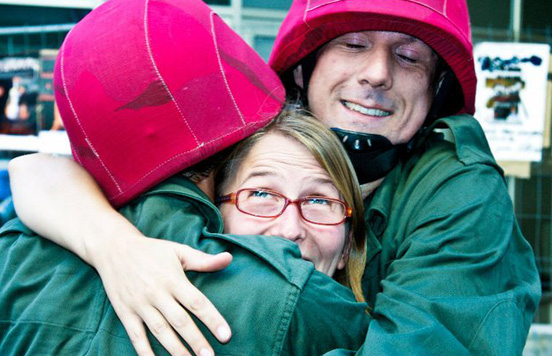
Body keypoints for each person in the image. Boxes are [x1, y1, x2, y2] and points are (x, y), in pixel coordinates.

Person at [9, 0, 541, 355]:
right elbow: (38, 174)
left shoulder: (459, 193)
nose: (378, 73)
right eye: (354, 45)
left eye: (408, 57)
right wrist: (114, 246)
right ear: (305, 69)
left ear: (436, 89)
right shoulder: (252, 132)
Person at [0, 1, 370, 355]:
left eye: (321, 201)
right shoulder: (301, 301)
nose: (289, 229)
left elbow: (36, 168)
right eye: (261, 193)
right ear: (227, 174)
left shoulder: (13, 251)